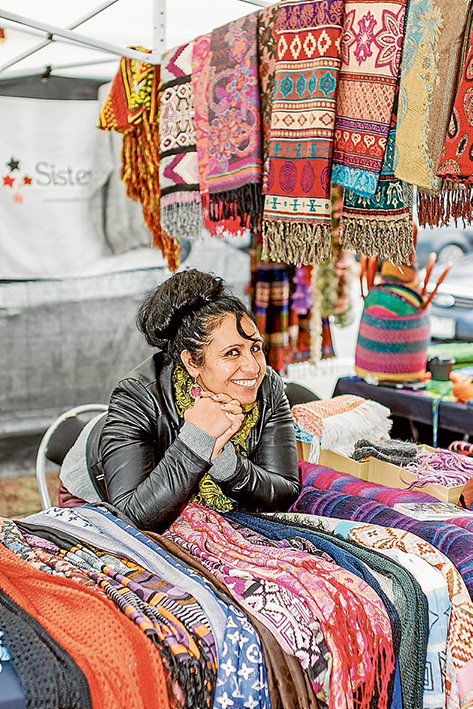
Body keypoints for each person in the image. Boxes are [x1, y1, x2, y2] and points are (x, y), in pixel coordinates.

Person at [60, 268, 299, 532]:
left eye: (255, 348)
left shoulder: (268, 387)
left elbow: (285, 492)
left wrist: (224, 460)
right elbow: (129, 519)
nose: (253, 367)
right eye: (232, 353)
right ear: (192, 362)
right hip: (94, 489)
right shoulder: (137, 396)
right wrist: (198, 438)